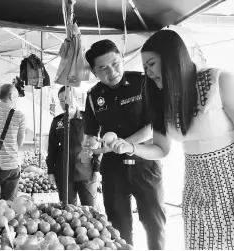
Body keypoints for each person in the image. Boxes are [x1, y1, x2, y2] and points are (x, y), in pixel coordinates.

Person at [104, 30, 234, 250]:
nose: (148, 72)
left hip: (229, 185)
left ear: (173, 57)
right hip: (195, 190)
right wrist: (130, 147)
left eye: (152, 63)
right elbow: (161, 149)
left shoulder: (220, 80)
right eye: (145, 67)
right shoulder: (161, 100)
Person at [84, 39, 166, 249]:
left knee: (154, 223)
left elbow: (153, 125)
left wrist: (125, 144)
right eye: (102, 68)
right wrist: (92, 143)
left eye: (115, 63)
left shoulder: (143, 83)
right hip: (113, 170)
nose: (111, 71)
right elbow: (91, 134)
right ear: (94, 72)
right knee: (118, 226)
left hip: (145, 163)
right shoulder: (93, 96)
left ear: (122, 58)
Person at [46, 86, 100, 206]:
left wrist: (97, 169)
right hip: (64, 172)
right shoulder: (57, 121)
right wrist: (50, 170)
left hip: (86, 171)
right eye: (61, 100)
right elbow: (52, 148)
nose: (64, 102)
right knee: (68, 211)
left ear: (75, 98)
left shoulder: (88, 118)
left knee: (91, 209)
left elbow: (96, 144)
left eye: (67, 98)